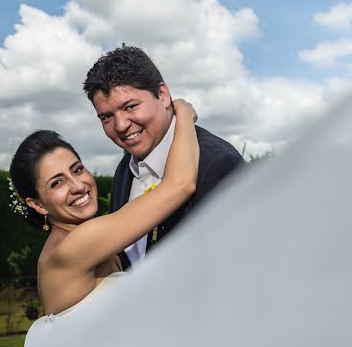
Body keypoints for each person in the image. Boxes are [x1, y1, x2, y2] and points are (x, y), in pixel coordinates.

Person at [0, 99, 199, 347]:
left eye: (77, 169)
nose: (78, 185)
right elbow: (180, 185)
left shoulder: (87, 237)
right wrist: (184, 115)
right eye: (56, 183)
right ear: (36, 204)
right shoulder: (74, 247)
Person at [83, 45, 245, 269]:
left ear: (162, 94)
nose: (121, 125)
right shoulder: (125, 168)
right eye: (107, 117)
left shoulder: (218, 165)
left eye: (130, 106)